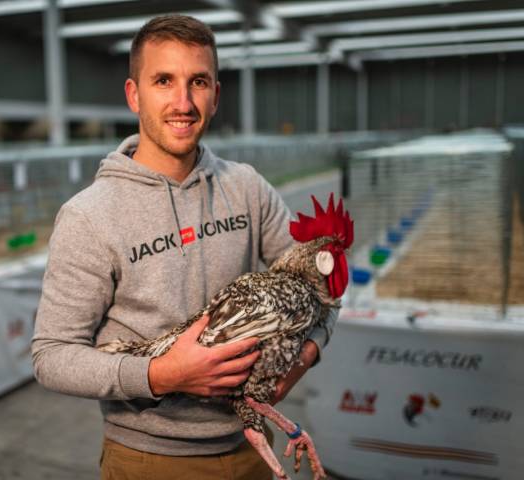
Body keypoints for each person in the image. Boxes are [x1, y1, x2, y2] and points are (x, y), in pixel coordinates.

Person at [32, 14, 337, 480]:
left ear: (216, 94)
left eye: (198, 82)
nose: (183, 102)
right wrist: (163, 375)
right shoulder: (89, 215)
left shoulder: (248, 188)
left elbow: (321, 286)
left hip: (250, 445)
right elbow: (51, 356)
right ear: (134, 94)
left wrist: (309, 349)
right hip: (150, 459)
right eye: (163, 81)